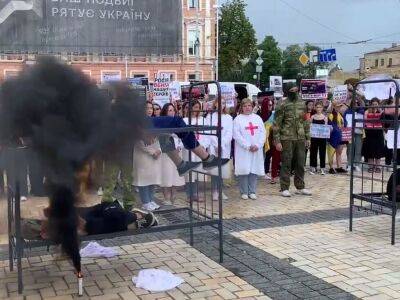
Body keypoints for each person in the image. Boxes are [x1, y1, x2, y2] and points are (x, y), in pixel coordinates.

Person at [273, 84, 312, 197]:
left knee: (300, 162)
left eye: (296, 90)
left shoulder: (302, 103)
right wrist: (277, 140)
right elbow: (276, 124)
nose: (295, 92)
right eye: (292, 90)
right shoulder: (282, 104)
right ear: (287, 91)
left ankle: (300, 186)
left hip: (300, 137)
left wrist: (308, 137)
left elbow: (305, 122)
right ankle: (284, 187)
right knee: (286, 162)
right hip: (286, 138)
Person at [233, 98, 266, 200]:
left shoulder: (257, 118)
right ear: (241, 108)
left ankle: (252, 191)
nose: (247, 108)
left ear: (252, 107)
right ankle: (244, 191)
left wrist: (258, 145)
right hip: (243, 149)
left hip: (256, 148)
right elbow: (236, 135)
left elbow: (263, 132)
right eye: (245, 106)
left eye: (249, 106)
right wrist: (247, 146)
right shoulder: (237, 119)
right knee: (244, 169)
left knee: (254, 169)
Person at [132, 101, 162, 211]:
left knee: (152, 178)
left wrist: (159, 149)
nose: (150, 110)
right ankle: (145, 202)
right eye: (147, 108)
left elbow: (159, 138)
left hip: (155, 154)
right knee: (143, 179)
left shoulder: (154, 121)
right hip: (143, 155)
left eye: (151, 108)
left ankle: (151, 200)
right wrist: (151, 152)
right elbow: (138, 141)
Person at [183, 100, 210, 202]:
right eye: (194, 107)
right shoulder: (185, 120)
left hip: (201, 149)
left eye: (198, 107)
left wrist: (203, 145)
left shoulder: (203, 120)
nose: (196, 109)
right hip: (189, 150)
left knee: (200, 172)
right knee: (190, 173)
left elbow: (208, 134)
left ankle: (197, 194)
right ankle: (190, 194)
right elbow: (182, 136)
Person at [207, 98, 233, 201]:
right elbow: (209, 132)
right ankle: (214, 191)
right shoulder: (210, 117)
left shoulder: (228, 117)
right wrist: (216, 145)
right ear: (215, 104)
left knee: (222, 169)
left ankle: (220, 191)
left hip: (224, 147)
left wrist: (221, 145)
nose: (221, 105)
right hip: (214, 147)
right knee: (214, 170)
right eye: (219, 102)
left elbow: (229, 133)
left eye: (223, 103)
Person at [159, 103, 185, 205]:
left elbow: (184, 135)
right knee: (166, 174)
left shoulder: (178, 122)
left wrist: (180, 145)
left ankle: (174, 194)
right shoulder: (161, 122)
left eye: (173, 110)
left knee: (176, 174)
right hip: (166, 153)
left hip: (177, 152)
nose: (172, 112)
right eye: (170, 110)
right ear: (165, 112)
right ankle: (166, 197)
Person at [362, 98, 385, 173]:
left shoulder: (380, 111)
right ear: (371, 104)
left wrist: (379, 111)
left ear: (378, 104)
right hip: (369, 132)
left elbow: (383, 118)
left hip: (378, 132)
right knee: (370, 149)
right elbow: (365, 120)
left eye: (376, 104)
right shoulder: (367, 111)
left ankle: (378, 167)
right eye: (373, 104)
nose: (374, 105)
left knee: (378, 150)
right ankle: (371, 167)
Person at [327, 101, 347, 174]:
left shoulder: (341, 114)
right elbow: (330, 125)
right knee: (331, 152)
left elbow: (344, 124)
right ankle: (331, 167)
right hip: (333, 136)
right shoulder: (331, 115)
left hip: (340, 135)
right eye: (337, 106)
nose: (339, 107)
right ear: (334, 106)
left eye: (340, 106)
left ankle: (339, 166)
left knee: (339, 152)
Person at [309, 101, 328, 175]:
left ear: (322, 108)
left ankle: (322, 168)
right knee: (313, 152)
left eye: (320, 107)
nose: (318, 108)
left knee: (322, 152)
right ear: (315, 108)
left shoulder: (325, 117)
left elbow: (326, 128)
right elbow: (310, 127)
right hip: (314, 137)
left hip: (322, 138)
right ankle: (313, 167)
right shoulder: (312, 117)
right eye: (317, 107)